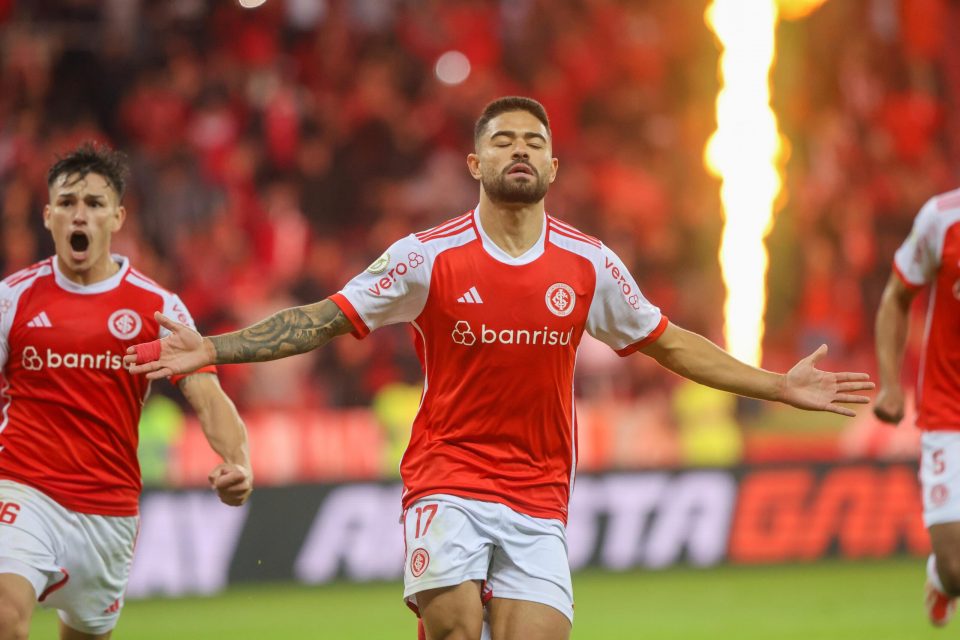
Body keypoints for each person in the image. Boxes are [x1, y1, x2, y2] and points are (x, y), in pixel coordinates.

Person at [126, 96, 873, 640]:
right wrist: (215, 346)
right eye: (504, 140)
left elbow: (670, 342)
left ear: (553, 162)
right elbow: (323, 316)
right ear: (475, 162)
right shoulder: (427, 256)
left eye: (534, 140)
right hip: (448, 474)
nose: (520, 149)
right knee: (453, 626)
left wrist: (778, 384)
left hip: (540, 493)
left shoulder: (590, 264)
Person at [0, 142, 253, 640]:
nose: (80, 214)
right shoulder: (13, 300)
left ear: (117, 217)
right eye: (68, 202)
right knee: (6, 615)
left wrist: (238, 461)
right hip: (21, 486)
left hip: (108, 512)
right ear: (48, 215)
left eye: (94, 204)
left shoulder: (155, 308)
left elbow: (206, 395)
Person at [874, 188, 960, 627]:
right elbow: (895, 298)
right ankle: (944, 579)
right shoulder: (942, 219)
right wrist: (891, 385)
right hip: (949, 410)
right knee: (956, 565)